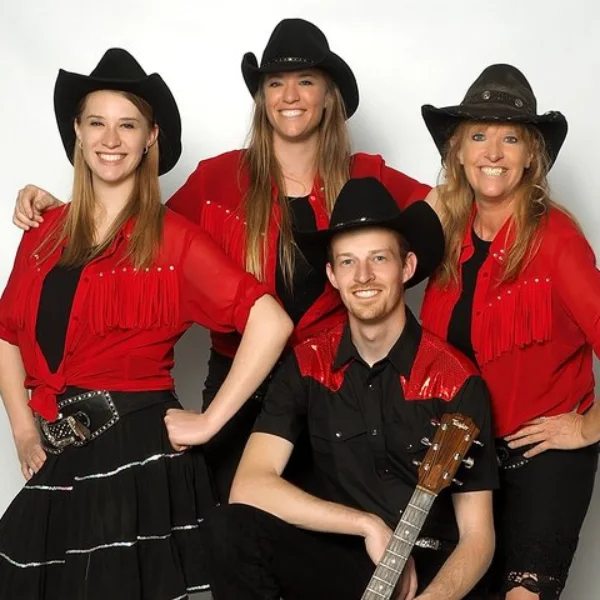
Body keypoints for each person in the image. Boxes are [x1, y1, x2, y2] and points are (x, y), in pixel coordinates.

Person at [11, 19, 434, 503]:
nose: (290, 95)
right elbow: (131, 240)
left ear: (328, 96)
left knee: (343, 531)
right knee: (232, 534)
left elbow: (448, 210)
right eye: (275, 83)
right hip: (240, 388)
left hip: (337, 385)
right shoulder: (217, 180)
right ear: (261, 98)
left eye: (306, 81)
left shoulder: (366, 179)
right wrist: (59, 213)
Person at [0, 48, 292, 599]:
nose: (111, 139)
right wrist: (20, 427)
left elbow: (270, 321)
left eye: (127, 124)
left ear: (150, 138)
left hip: (137, 457)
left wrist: (209, 423)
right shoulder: (43, 232)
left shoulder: (174, 240)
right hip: (61, 452)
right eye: (98, 123)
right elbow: (7, 333)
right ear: (78, 134)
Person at [201, 177, 498, 600]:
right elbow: (249, 486)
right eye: (347, 262)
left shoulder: (455, 380)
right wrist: (364, 525)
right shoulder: (307, 364)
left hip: (429, 566)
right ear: (332, 275)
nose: (363, 276)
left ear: (407, 267)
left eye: (379, 258)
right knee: (227, 528)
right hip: (348, 555)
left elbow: (478, 537)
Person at [419, 64, 600, 599]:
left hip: (541, 462)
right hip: (462, 462)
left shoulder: (558, 242)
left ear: (531, 156)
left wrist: (590, 427)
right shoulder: (445, 234)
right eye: (478, 136)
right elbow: (369, 259)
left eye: (510, 138)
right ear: (456, 151)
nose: (492, 153)